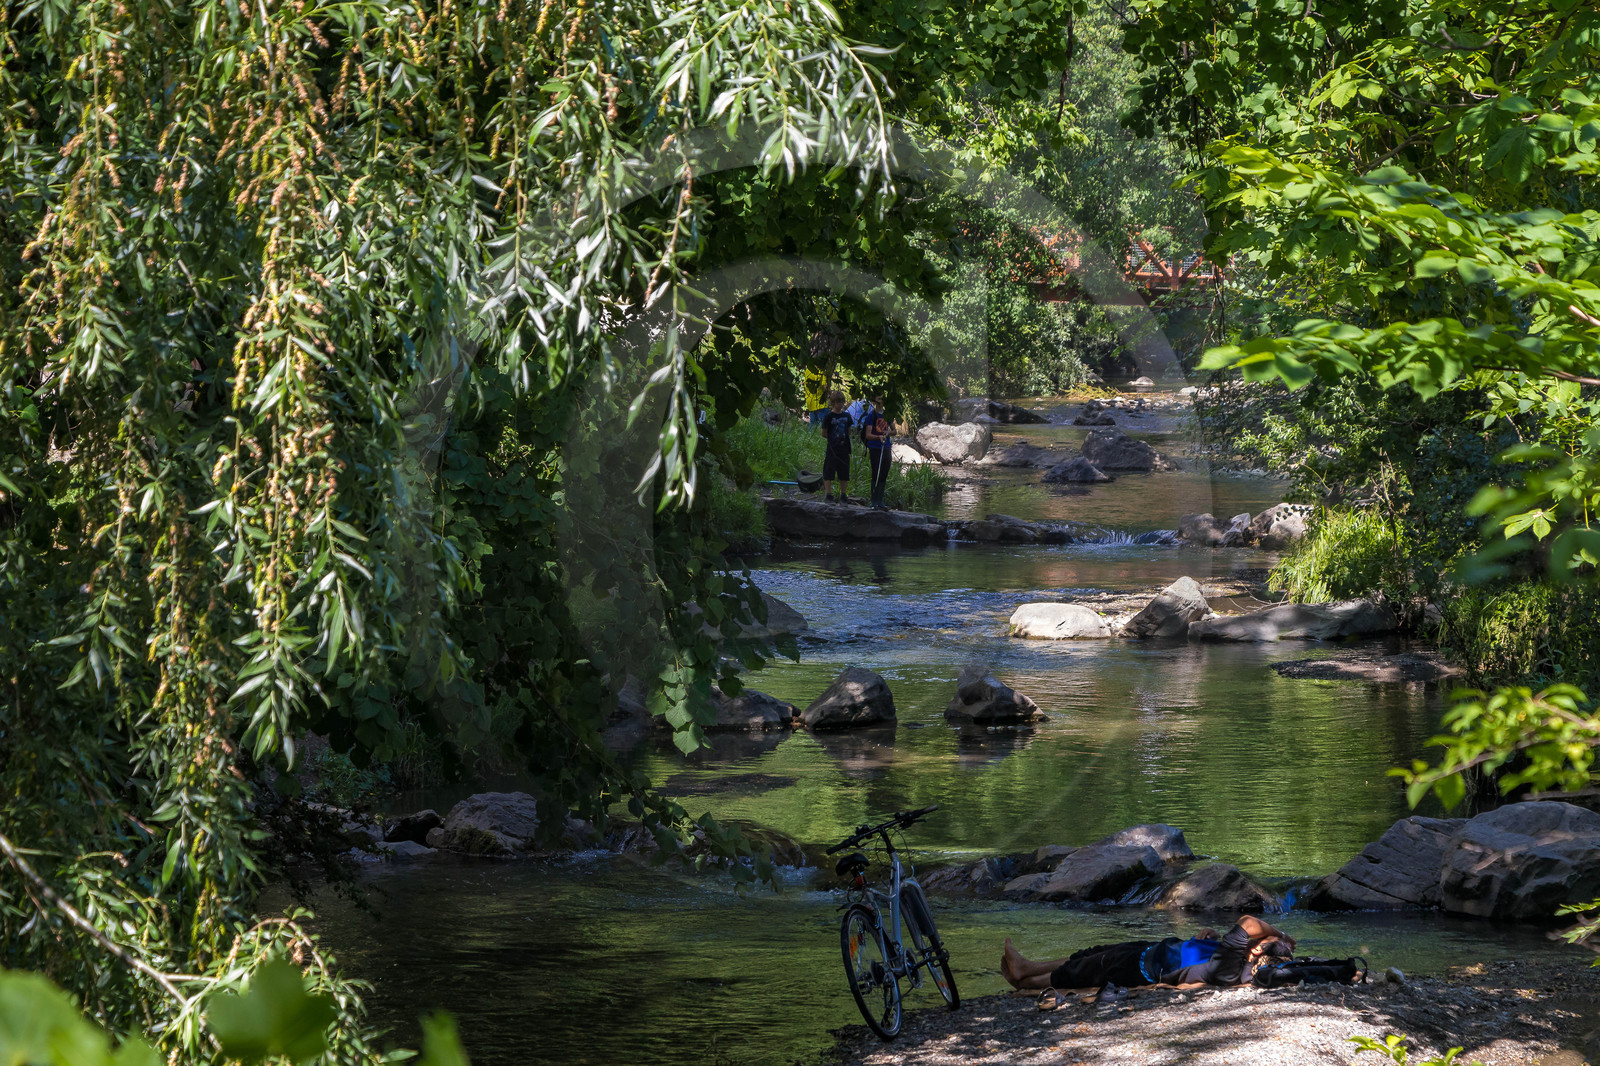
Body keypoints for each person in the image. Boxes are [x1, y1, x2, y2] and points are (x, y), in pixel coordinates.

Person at [999, 915, 1295, 994]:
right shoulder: (1238, 959)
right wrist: (1209, 937)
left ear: (1257, 948)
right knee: (1087, 956)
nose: (1257, 936)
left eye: (1260, 939)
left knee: (1078, 972)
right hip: (1151, 951)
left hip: (1140, 966)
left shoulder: (1232, 963)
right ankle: (1027, 967)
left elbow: (1247, 922)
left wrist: (1278, 934)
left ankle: (1025, 979)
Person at [819, 391, 854, 503]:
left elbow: (848, 431)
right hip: (832, 448)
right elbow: (824, 433)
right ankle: (828, 495)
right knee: (828, 471)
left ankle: (843, 495)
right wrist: (833, 439)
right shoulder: (829, 416)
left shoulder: (846, 416)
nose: (840, 404)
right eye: (838, 402)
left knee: (844, 472)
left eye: (842, 402)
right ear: (833, 403)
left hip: (844, 448)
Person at [861, 394, 892, 510]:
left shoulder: (887, 415)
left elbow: (894, 430)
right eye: (879, 399)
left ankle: (881, 501)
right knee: (876, 473)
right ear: (875, 401)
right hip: (875, 447)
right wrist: (878, 437)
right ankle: (874, 501)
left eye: (882, 399)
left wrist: (888, 433)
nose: (881, 401)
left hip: (886, 447)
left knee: (884, 472)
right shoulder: (871, 416)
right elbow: (868, 435)